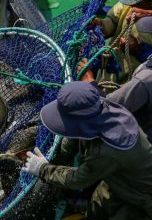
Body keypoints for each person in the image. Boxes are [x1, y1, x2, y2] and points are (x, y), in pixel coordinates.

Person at [22, 81, 152, 219]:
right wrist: (56, 159)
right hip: (118, 179)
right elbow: (74, 137)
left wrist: (42, 168)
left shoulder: (106, 151)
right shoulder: (103, 107)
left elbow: (78, 180)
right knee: (96, 208)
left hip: (143, 196)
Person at [90, 0, 152, 84]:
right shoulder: (127, 3)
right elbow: (112, 22)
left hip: (133, 84)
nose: (131, 3)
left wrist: (138, 49)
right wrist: (100, 24)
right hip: (110, 70)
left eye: (137, 0)